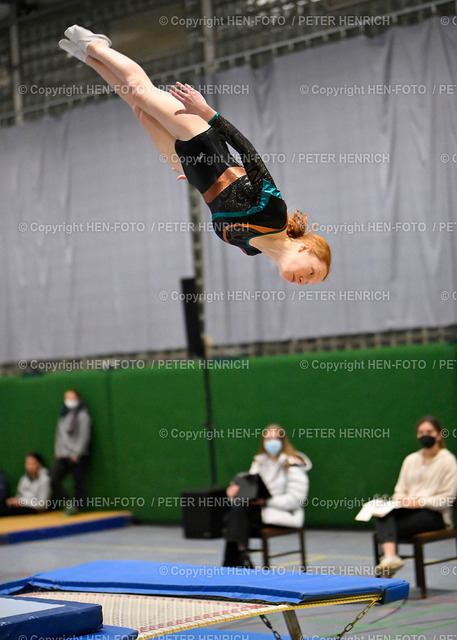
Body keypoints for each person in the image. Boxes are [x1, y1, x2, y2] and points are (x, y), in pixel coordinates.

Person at [58, 25, 331, 285]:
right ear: (305, 247)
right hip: (205, 144)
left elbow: (220, 200)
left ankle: (88, 57)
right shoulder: (274, 215)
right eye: (310, 271)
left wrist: (193, 176)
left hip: (186, 165)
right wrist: (208, 113)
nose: (303, 281)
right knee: (142, 94)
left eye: (307, 282)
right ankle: (96, 44)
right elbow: (250, 154)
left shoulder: (249, 249)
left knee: (137, 108)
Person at [374, 415, 457, 576]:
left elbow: (447, 498)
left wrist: (419, 502)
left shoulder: (448, 462)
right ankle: (390, 558)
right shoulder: (411, 460)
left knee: (387, 530)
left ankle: (389, 562)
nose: (425, 435)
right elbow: (399, 490)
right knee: (382, 514)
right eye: (421, 432)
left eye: (429, 431)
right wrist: (401, 500)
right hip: (407, 511)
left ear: (439, 435)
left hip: (435, 515)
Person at [223, 424, 311, 567]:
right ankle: (241, 556)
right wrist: (235, 492)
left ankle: (235, 561)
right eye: (268, 439)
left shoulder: (294, 464)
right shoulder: (259, 461)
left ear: (283, 441)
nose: (272, 443)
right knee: (235, 513)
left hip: (283, 513)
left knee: (234, 518)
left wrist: (265, 501)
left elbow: (297, 500)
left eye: (276, 438)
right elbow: (250, 489)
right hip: (257, 511)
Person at [50, 389, 91, 512]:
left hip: (76, 455)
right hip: (62, 454)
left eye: (72, 398)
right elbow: (59, 434)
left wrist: (76, 454)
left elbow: (84, 436)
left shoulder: (83, 415)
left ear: (78, 399)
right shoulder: (63, 415)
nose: (69, 401)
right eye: (67, 398)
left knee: (77, 483)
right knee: (53, 479)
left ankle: (78, 508)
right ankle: (68, 503)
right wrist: (57, 450)